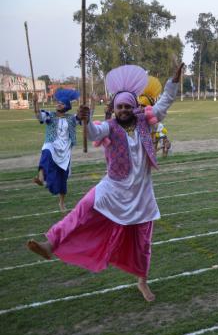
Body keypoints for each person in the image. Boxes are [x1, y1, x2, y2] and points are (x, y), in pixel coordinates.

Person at [26, 63, 183, 302]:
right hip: (112, 188)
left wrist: (173, 82)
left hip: (141, 195)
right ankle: (50, 244)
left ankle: (143, 282)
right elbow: (92, 133)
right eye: (119, 106)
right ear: (115, 107)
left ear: (134, 107)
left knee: (143, 244)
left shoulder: (144, 120)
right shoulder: (108, 127)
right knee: (80, 211)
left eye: (127, 106)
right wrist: (86, 121)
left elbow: (163, 105)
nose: (123, 110)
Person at [33, 89, 81, 212]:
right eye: (58, 102)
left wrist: (91, 103)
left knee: (62, 176)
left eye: (62, 103)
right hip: (52, 144)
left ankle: (61, 202)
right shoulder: (50, 115)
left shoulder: (71, 119)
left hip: (65, 150)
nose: (58, 104)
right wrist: (35, 103)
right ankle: (41, 177)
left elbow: (85, 116)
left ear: (66, 107)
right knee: (46, 152)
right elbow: (39, 115)